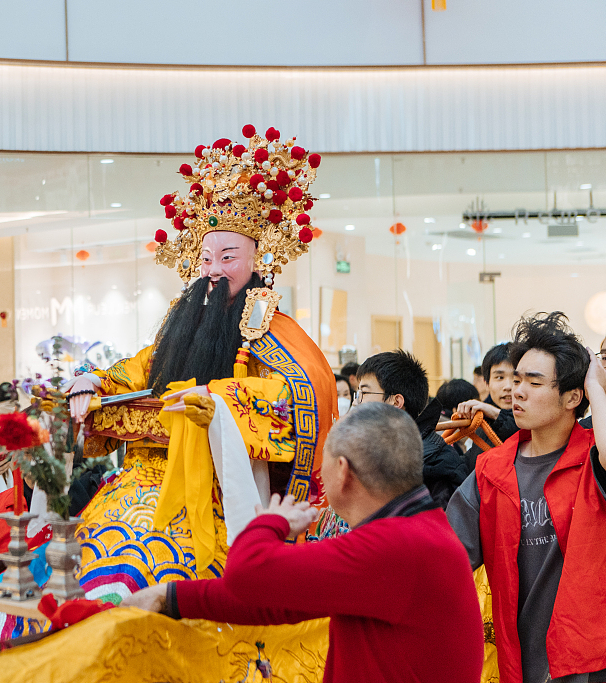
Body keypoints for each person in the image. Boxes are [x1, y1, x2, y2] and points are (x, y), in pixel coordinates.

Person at [64, 126, 336, 603]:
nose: (213, 269)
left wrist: (221, 401)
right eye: (207, 257)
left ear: (259, 257)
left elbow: (299, 393)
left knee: (151, 577)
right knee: (77, 562)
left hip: (216, 491)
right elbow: (138, 371)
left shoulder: (271, 330)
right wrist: (91, 381)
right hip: (134, 486)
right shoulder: (181, 321)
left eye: (228, 257)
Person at [122, 403, 484, 683]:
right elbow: (279, 599)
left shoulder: (399, 545)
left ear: (342, 470)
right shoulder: (415, 530)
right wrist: (169, 597)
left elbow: (247, 573)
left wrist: (272, 520)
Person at [447, 312, 606, 683]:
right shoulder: (491, 471)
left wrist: (597, 387)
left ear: (572, 397)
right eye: (515, 380)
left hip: (590, 662)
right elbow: (447, 556)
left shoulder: (592, 459)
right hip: (521, 662)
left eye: (533, 383)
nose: (516, 391)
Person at [355, 350, 467, 508]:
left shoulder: (436, 465)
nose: (356, 403)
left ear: (396, 401)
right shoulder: (378, 451)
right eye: (357, 394)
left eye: (364, 393)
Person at [456, 343, 519, 472]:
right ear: (486, 383)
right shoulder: (482, 426)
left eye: (515, 378)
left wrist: (495, 414)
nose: (508, 386)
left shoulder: (536, 426)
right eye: (499, 377)